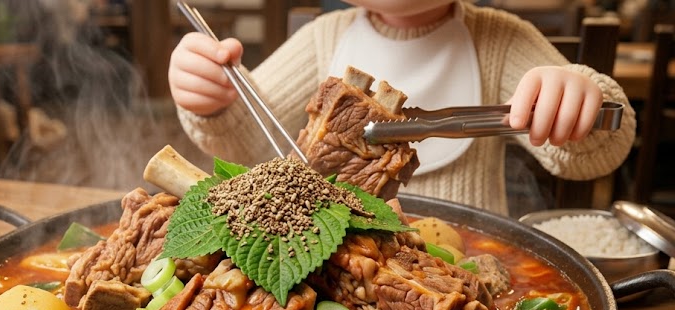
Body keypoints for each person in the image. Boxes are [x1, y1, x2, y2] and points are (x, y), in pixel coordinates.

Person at [168, 0, 636, 216]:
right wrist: (213, 97)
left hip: (470, 267)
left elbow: (589, 155)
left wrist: (577, 100)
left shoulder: (502, 39)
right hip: (330, 256)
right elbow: (248, 141)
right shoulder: (323, 37)